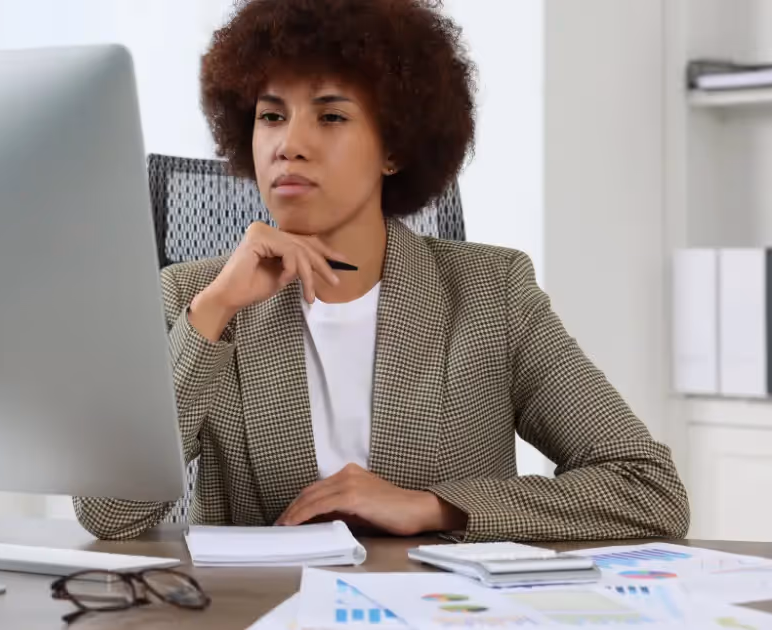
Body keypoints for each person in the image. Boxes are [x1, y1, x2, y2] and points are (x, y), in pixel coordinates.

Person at [75, 0, 690, 541]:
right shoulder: (193, 297)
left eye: (331, 116)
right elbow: (108, 513)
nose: (289, 143)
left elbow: (647, 486)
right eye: (270, 116)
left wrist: (434, 508)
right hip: (262, 614)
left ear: (394, 146)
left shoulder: (492, 293)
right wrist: (215, 313)